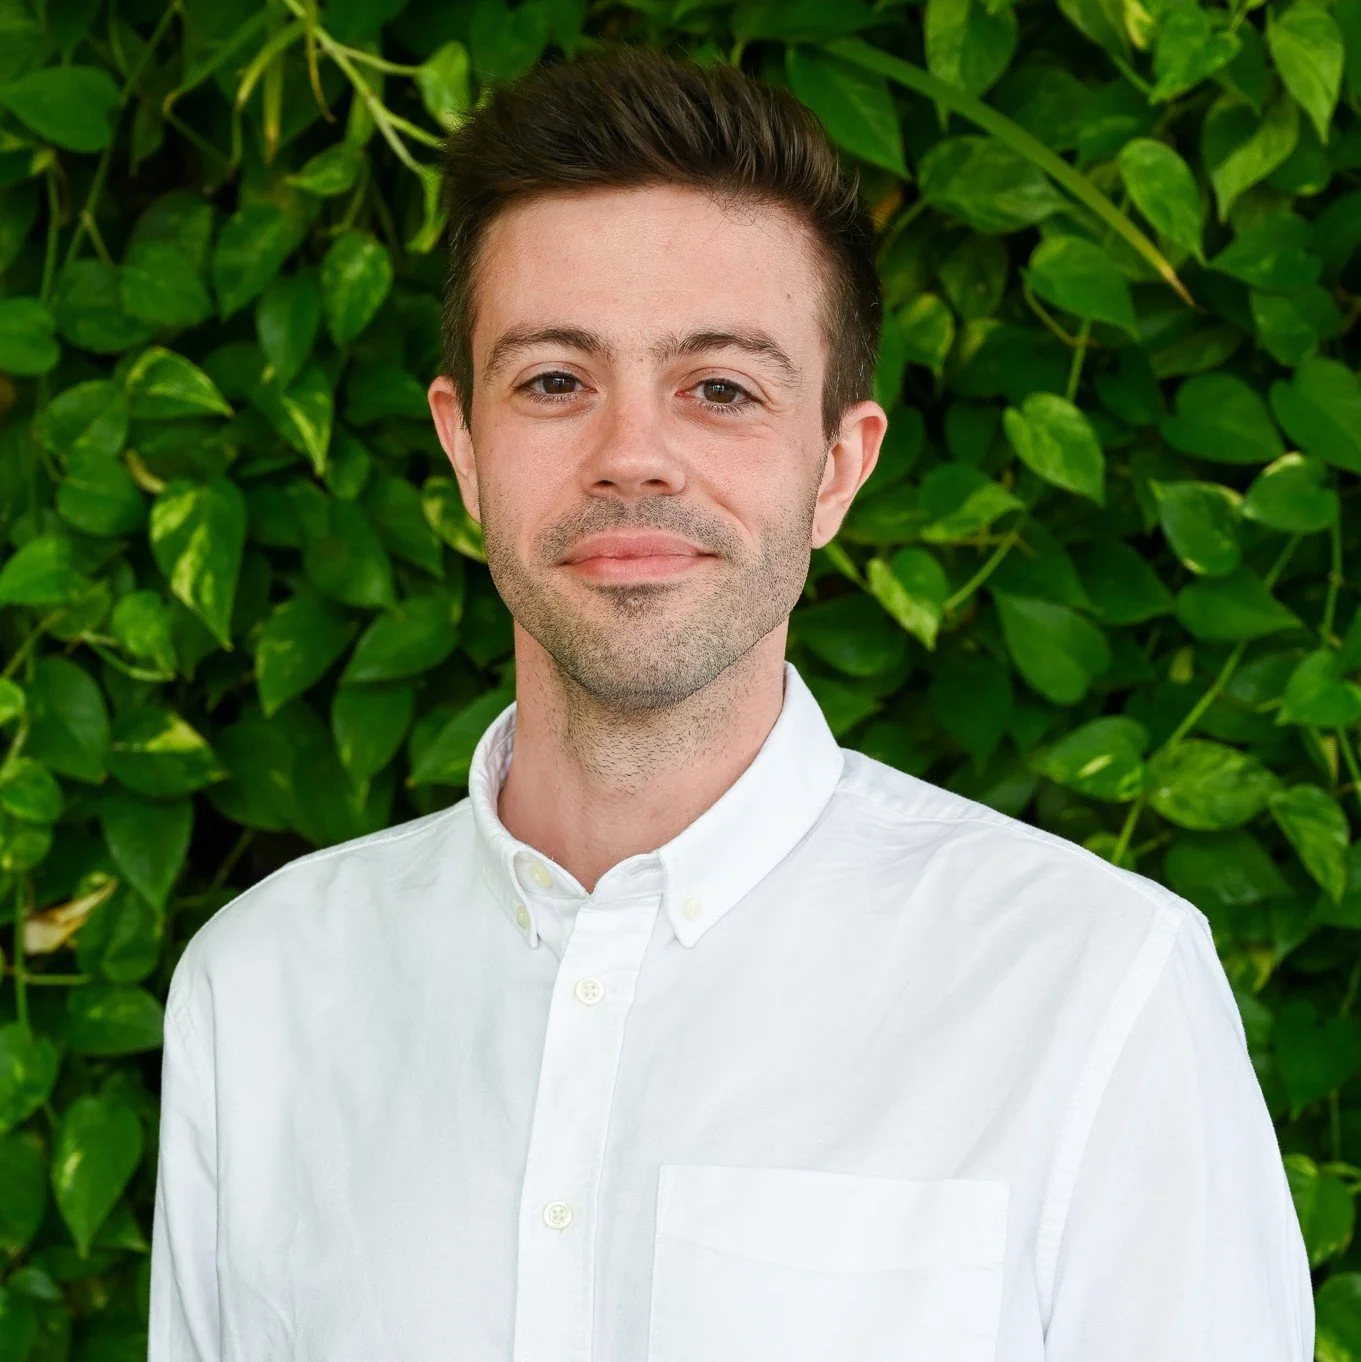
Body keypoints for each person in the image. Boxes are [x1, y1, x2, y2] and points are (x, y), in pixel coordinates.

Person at [148, 44, 1313, 1362]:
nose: (633, 454)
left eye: (721, 388)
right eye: (554, 380)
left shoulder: (1096, 988)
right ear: (464, 446)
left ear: (837, 466)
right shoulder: (260, 994)